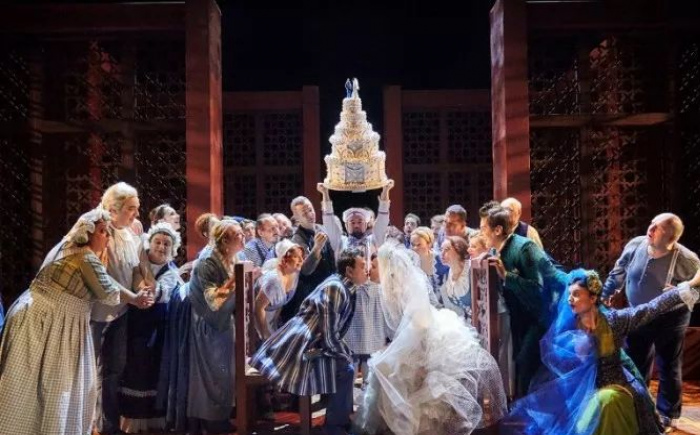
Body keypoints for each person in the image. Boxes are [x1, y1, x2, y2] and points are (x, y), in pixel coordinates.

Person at [0, 208, 151, 435]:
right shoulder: (85, 257)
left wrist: (134, 297)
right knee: (52, 381)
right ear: (87, 233)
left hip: (42, 315)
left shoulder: (71, 248)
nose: (107, 237)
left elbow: (105, 280)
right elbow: (108, 291)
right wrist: (136, 299)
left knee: (38, 380)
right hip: (50, 321)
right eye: (102, 231)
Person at [506, 269, 699, 435]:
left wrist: (689, 285)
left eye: (576, 294)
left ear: (592, 298)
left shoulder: (614, 321)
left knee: (608, 402)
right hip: (585, 394)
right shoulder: (569, 327)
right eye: (569, 294)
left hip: (618, 388)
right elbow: (561, 364)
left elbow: (651, 308)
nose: (570, 299)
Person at [353, 241, 507, 435]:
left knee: (396, 374)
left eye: (375, 267)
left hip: (427, 336)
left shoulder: (405, 289)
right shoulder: (390, 289)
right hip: (415, 336)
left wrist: (411, 352)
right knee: (384, 368)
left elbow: (421, 323)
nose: (370, 270)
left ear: (388, 270)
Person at [252, 247, 367, 435]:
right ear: (349, 271)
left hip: (311, 343)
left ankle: (341, 421)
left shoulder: (343, 286)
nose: (366, 270)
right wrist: (344, 354)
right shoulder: (335, 288)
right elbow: (328, 333)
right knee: (345, 369)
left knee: (346, 364)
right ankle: (334, 427)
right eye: (362, 266)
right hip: (300, 346)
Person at [602, 213, 700, 428]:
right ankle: (640, 406)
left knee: (668, 365)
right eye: (652, 223)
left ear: (671, 238)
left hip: (670, 318)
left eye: (658, 228)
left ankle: (668, 413)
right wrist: (608, 291)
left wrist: (683, 290)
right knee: (636, 362)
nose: (651, 229)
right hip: (638, 314)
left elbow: (698, 289)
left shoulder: (687, 259)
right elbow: (619, 270)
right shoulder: (636, 244)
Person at [480, 204, 566, 397]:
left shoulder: (524, 247)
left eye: (484, 228)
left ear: (497, 230)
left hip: (539, 318)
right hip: (519, 319)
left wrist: (507, 276)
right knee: (519, 364)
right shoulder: (496, 251)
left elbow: (539, 289)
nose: (481, 233)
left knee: (527, 364)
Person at [92, 181, 148, 435]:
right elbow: (102, 277)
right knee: (95, 369)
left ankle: (109, 424)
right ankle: (95, 424)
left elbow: (134, 271)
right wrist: (134, 298)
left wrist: (142, 290)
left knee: (115, 369)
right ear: (113, 209)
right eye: (130, 209)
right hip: (97, 314)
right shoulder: (99, 232)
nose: (136, 214)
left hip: (121, 311)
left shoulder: (129, 234)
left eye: (137, 208)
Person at [120, 223, 183, 433]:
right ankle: (132, 419)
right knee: (134, 366)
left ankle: (151, 420)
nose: (161, 247)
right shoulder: (135, 263)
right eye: (157, 242)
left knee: (151, 367)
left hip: (156, 327)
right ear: (150, 243)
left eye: (166, 244)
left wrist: (144, 265)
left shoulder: (171, 272)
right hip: (135, 323)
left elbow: (152, 292)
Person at [187, 218, 245, 434]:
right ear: (224, 241)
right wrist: (236, 280)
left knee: (225, 372)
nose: (243, 237)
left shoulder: (233, 256)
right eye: (238, 235)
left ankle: (222, 416)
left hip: (223, 321)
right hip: (208, 323)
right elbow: (213, 300)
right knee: (213, 373)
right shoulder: (208, 262)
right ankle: (210, 421)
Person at [280, 195, 336, 323]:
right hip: (311, 294)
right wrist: (316, 248)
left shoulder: (321, 229)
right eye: (304, 214)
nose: (310, 215)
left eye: (310, 210)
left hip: (328, 288)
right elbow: (305, 270)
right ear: (297, 219)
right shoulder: (297, 240)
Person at [345, 252, 388, 383]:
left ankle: (365, 386)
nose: (368, 270)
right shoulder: (357, 287)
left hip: (371, 336)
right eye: (367, 266)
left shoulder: (380, 290)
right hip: (358, 334)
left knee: (366, 361)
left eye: (373, 267)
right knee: (357, 360)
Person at [254, 239, 304, 340]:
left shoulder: (293, 274)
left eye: (301, 257)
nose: (301, 260)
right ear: (284, 259)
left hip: (271, 323)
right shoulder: (274, 280)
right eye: (296, 257)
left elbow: (281, 303)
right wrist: (265, 334)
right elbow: (258, 307)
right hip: (257, 324)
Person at [439, 236, 473, 320]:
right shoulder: (448, 273)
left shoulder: (471, 270)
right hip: (465, 321)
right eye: (441, 249)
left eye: (447, 249)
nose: (442, 253)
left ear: (459, 251)